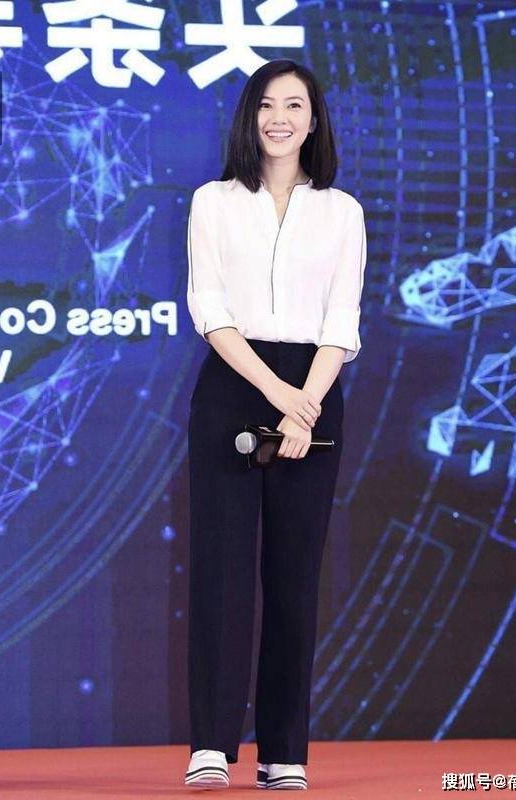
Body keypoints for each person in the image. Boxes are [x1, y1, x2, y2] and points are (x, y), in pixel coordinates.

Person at [184, 58, 367, 791]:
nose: (279, 118)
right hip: (234, 383)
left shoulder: (342, 211)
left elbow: (341, 320)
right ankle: (210, 745)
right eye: (266, 105)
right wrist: (276, 393)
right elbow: (209, 309)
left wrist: (305, 403)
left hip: (314, 389)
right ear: (249, 117)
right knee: (221, 572)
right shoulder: (213, 201)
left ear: (314, 119)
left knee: (294, 578)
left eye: (294, 105)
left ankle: (283, 751)